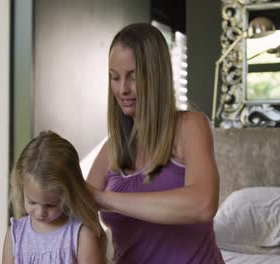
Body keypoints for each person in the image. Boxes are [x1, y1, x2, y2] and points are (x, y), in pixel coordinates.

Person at [87, 23, 224, 263]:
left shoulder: (189, 127)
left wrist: (103, 198)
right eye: (114, 77)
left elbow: (202, 204)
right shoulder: (112, 149)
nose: (122, 89)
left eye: (133, 77)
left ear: (156, 76)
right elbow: (79, 213)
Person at [2, 131, 107, 264]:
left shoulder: (81, 235)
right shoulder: (16, 235)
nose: (40, 212)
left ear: (69, 195)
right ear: (22, 189)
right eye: (32, 202)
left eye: (51, 204)